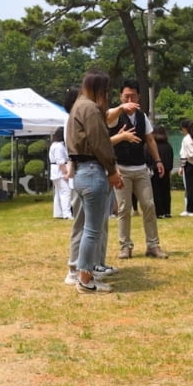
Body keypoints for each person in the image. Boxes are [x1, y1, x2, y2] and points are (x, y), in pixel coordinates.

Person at [65, 70, 124, 293]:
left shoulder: (77, 106)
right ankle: (85, 279)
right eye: (106, 90)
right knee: (92, 230)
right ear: (99, 89)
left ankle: (83, 274)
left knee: (86, 227)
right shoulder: (90, 108)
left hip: (81, 172)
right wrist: (112, 170)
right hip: (92, 171)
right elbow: (101, 143)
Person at [106, 79, 168, 259]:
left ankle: (153, 245)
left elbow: (150, 139)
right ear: (121, 96)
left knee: (149, 205)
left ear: (139, 96)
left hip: (141, 168)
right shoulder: (115, 113)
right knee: (124, 208)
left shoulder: (142, 117)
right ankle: (125, 246)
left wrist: (158, 160)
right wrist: (121, 108)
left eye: (133, 95)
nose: (130, 99)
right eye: (126, 96)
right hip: (121, 168)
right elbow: (108, 117)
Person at [177, 118, 193, 215]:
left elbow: (186, 154)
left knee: (190, 188)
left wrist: (181, 166)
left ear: (184, 128)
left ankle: (190, 210)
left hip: (190, 165)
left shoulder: (186, 139)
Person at [148, 125, 175, 219]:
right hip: (166, 171)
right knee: (166, 192)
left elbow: (147, 159)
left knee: (156, 192)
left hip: (154, 171)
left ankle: (159, 212)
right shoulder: (168, 146)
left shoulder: (151, 146)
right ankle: (167, 211)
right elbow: (171, 159)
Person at [49, 127, 73, 219]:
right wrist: (66, 173)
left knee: (59, 193)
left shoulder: (54, 145)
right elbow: (60, 161)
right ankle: (67, 214)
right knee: (66, 192)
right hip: (60, 171)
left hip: (55, 171)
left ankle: (58, 213)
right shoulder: (59, 146)